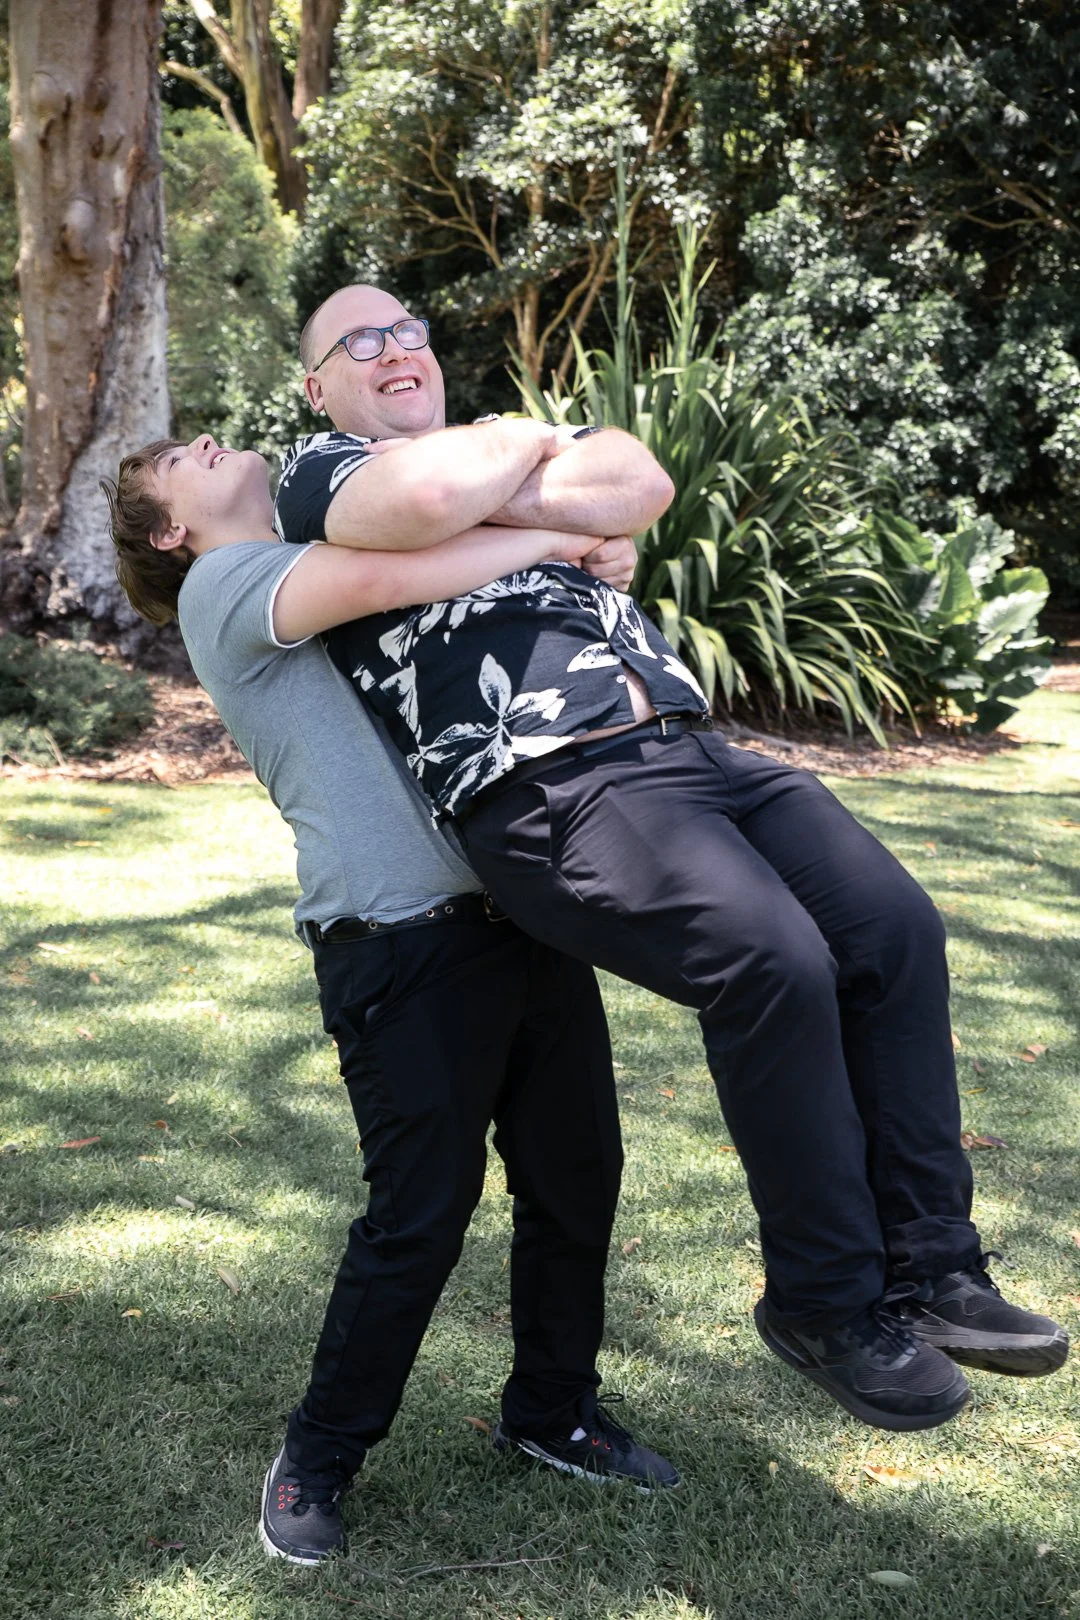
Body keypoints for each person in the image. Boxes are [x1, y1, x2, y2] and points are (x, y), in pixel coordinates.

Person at [271, 283, 1069, 1439]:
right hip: (552, 780)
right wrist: (549, 471)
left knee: (892, 930)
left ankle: (931, 1269)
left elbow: (640, 482)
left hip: (692, 746)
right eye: (362, 342)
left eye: (412, 332)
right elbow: (434, 496)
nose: (397, 351)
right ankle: (825, 1302)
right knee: (772, 961)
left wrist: (512, 466)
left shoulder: (483, 444)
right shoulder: (320, 472)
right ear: (319, 385)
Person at [102, 432, 681, 1567]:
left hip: (523, 912)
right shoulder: (227, 585)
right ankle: (317, 1454)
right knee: (420, 1211)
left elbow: (456, 582)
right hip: (398, 945)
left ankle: (552, 1412)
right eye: (179, 460)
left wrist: (578, 563)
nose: (209, 440)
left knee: (578, 1176)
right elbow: (393, 578)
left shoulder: (325, 543)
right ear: (170, 529)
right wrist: (565, 533)